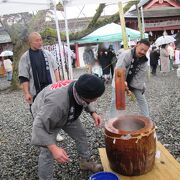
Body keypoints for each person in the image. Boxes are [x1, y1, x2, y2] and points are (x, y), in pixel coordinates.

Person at [31, 74, 105, 179]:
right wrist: (54, 148)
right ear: (84, 96)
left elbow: (88, 100)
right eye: (95, 98)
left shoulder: (80, 85)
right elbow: (38, 126)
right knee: (47, 151)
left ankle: (85, 161)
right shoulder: (56, 104)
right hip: (46, 114)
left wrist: (93, 113)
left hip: (68, 111)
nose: (96, 99)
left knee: (81, 134)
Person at [18, 32, 63, 141]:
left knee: (53, 111)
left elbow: (56, 68)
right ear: (30, 42)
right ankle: (42, 135)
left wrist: (59, 83)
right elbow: (24, 77)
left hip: (50, 88)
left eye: (40, 39)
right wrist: (27, 93)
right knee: (38, 113)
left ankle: (54, 132)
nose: (40, 42)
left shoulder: (47, 53)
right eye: (37, 40)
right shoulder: (25, 57)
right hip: (36, 90)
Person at [110, 39, 150, 118]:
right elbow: (119, 71)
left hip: (133, 82)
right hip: (119, 80)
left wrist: (129, 88)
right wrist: (122, 82)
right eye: (141, 49)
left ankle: (147, 118)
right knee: (115, 100)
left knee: (141, 98)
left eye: (145, 51)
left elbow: (139, 77)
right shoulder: (126, 55)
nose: (142, 52)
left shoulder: (144, 61)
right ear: (137, 45)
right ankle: (112, 119)